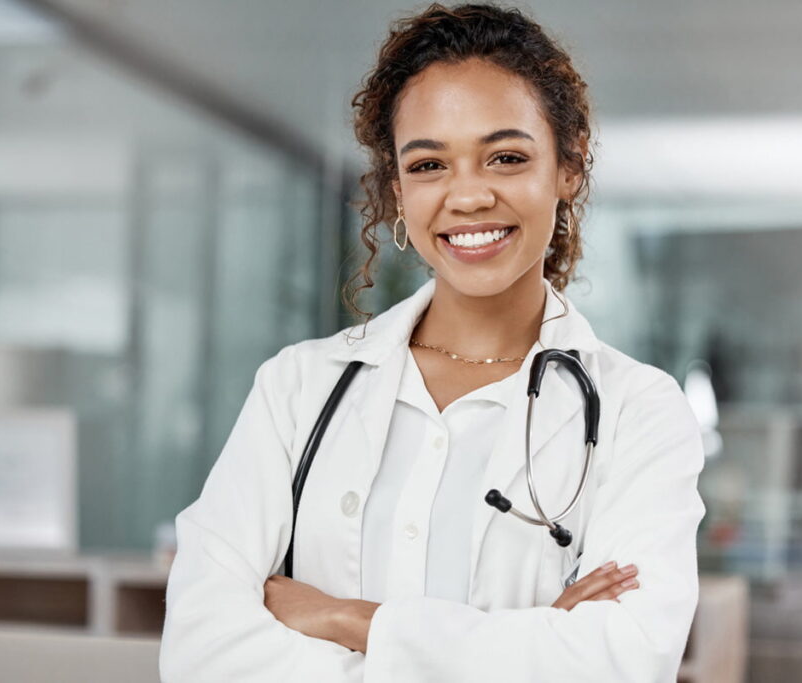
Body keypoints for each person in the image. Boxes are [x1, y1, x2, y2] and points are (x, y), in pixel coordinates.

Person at [159, 4, 705, 682]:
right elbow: (198, 650)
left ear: (569, 166)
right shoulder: (299, 388)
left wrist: (350, 619)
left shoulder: (638, 412)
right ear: (396, 188)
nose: (468, 195)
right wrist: (527, 639)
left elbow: (614, 663)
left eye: (505, 157)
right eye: (428, 165)